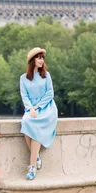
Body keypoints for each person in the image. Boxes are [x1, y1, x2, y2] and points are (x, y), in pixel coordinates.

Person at [20, 47, 58, 180]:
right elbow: (24, 96)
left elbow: (50, 94)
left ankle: (31, 166)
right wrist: (30, 108)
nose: (41, 61)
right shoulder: (23, 79)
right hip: (31, 109)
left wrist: (36, 107)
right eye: (39, 58)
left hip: (46, 108)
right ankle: (35, 155)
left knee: (35, 127)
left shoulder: (46, 75)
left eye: (42, 58)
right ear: (32, 60)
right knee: (25, 123)